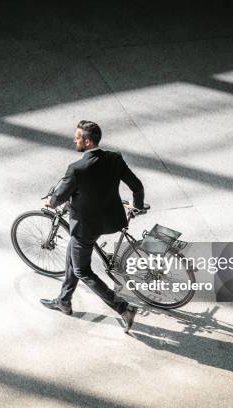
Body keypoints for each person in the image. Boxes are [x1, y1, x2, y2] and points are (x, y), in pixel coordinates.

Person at [40, 120, 145, 333]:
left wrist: (50, 202)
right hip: (111, 220)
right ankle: (64, 301)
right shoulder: (114, 159)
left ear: (87, 142)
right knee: (73, 254)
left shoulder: (77, 169)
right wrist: (137, 205)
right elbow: (137, 185)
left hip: (87, 227)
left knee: (82, 270)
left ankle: (123, 308)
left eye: (77, 137)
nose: (74, 140)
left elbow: (60, 196)